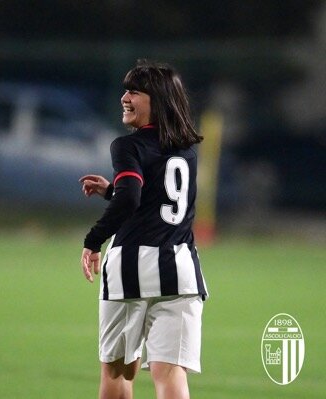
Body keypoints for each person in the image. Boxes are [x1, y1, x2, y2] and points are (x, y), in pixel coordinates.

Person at [79, 60, 208, 399]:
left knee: (119, 372)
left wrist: (93, 240)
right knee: (169, 375)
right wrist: (112, 191)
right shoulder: (187, 150)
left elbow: (131, 200)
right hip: (180, 272)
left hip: (131, 270)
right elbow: (158, 202)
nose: (125, 97)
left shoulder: (128, 146)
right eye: (125, 90)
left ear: (158, 100)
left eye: (134, 91)